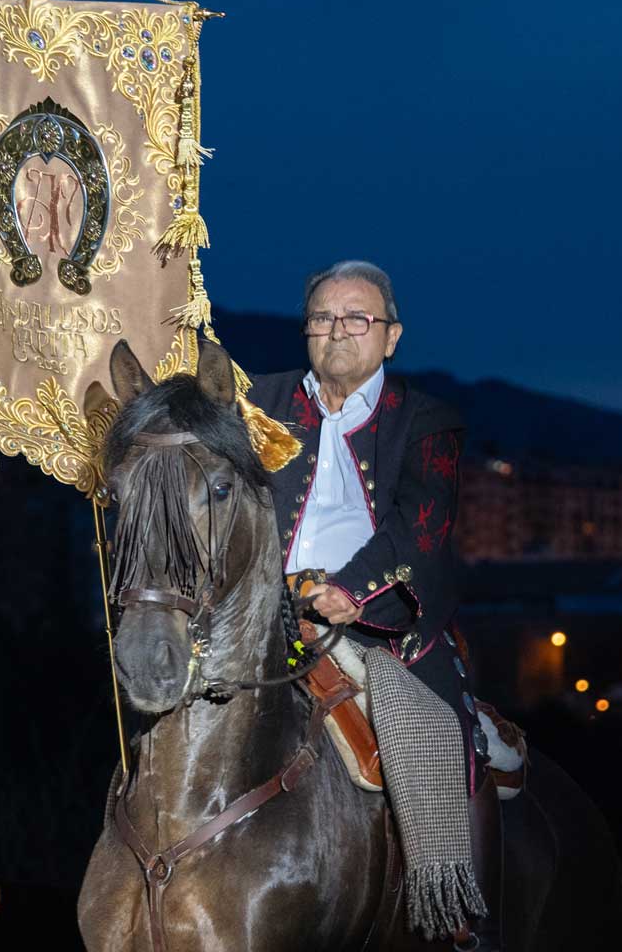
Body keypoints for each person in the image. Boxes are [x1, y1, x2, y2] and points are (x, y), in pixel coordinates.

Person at [247, 259, 503, 950]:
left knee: (445, 736)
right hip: (261, 617)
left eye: (357, 318)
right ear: (306, 330)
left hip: (383, 622)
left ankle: (458, 910)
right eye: (324, 317)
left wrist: (345, 592)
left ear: (390, 336)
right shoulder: (256, 402)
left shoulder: (427, 421)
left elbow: (418, 528)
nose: (339, 330)